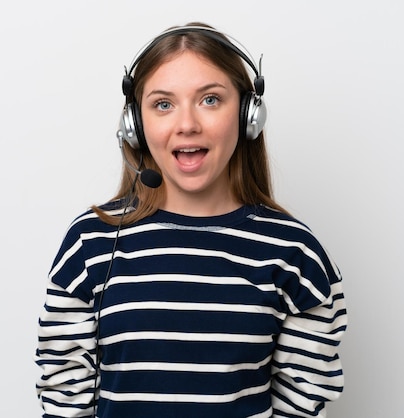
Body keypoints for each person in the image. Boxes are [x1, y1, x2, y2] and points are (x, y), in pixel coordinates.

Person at [35, 22, 347, 418]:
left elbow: (303, 404)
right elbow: (64, 400)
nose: (187, 124)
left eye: (210, 100)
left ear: (249, 115)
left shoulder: (297, 254)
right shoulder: (90, 244)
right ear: (135, 125)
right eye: (163, 104)